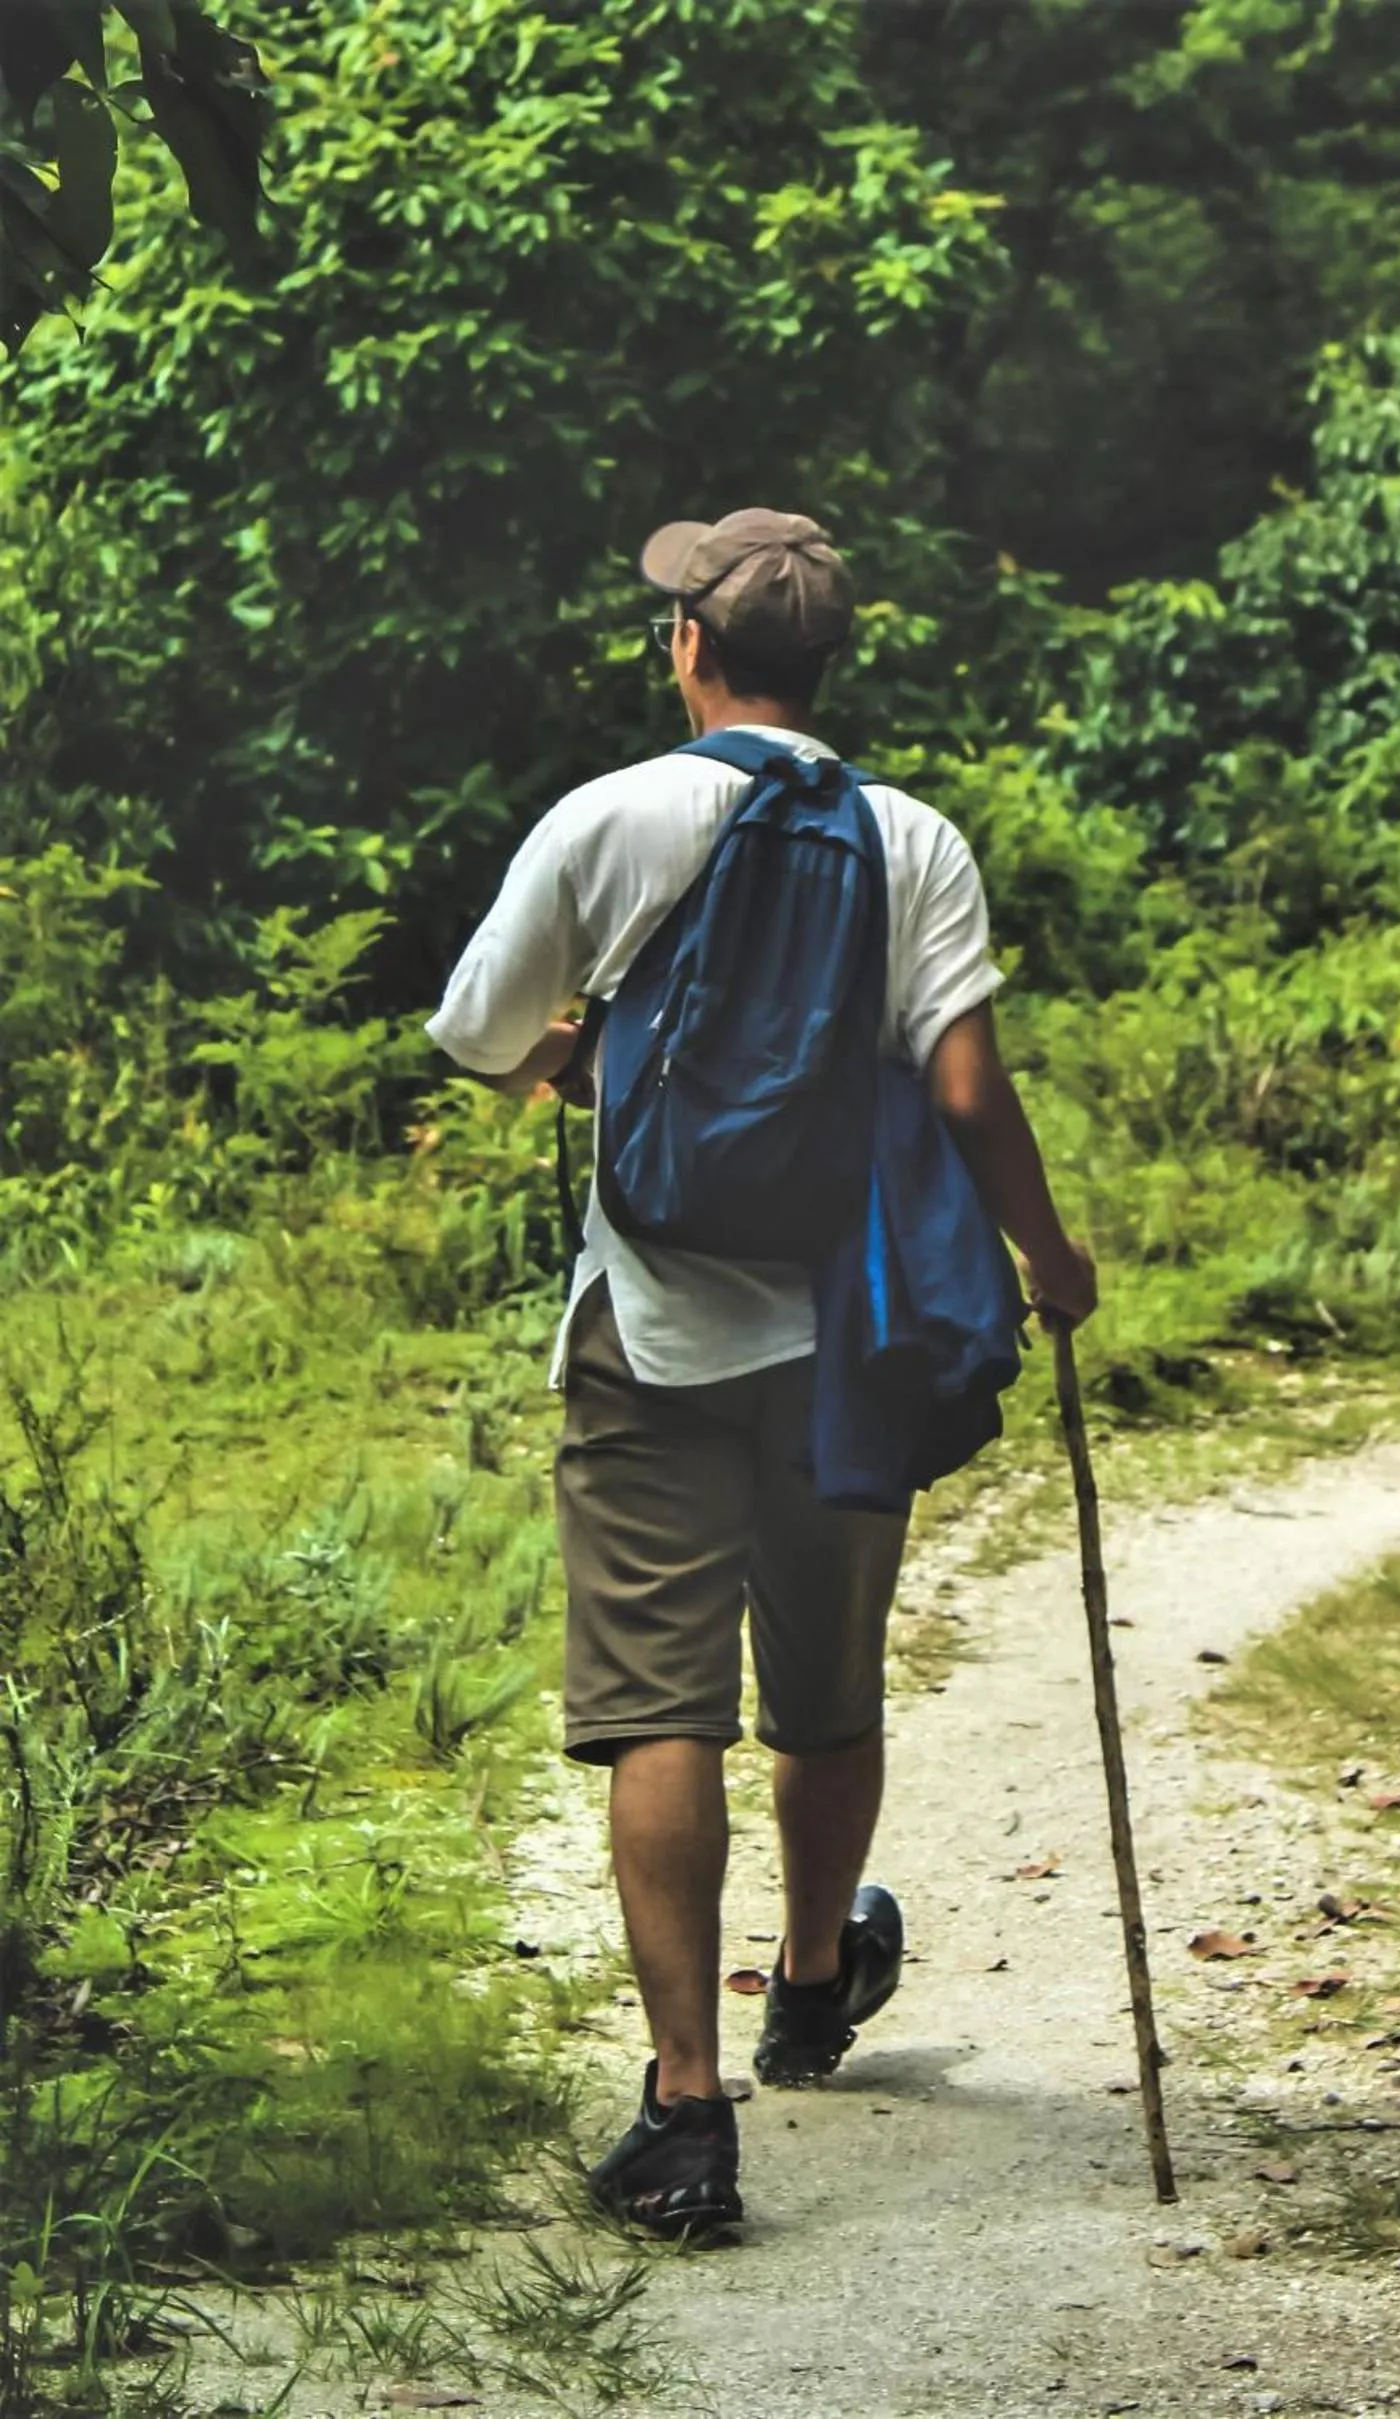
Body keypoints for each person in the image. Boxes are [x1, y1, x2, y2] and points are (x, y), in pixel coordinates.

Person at [427, 508, 1097, 2235]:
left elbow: (474, 1032)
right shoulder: (911, 837)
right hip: (846, 1337)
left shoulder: (612, 815)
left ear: (691, 651)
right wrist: (1046, 1252)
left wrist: (582, 1069)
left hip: (648, 1326)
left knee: (661, 1703)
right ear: (827, 664)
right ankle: (811, 1983)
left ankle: (686, 2103)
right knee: (826, 1678)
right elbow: (961, 1091)